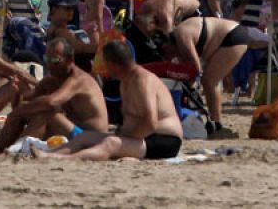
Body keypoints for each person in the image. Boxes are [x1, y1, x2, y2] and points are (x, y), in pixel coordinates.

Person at [42, 40, 184, 161]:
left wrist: (127, 137)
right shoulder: (125, 81)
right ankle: (48, 155)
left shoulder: (143, 81)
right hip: (141, 137)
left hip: (164, 140)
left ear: (112, 64)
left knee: (111, 143)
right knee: (84, 137)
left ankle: (64, 159)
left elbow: (150, 122)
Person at [0, 38, 110, 155]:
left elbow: (50, 102)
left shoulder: (78, 79)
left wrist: (18, 111)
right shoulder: (51, 81)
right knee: (28, 111)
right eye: (46, 59)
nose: (49, 65)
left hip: (91, 138)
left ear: (70, 60)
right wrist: (18, 90)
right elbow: (26, 102)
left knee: (48, 114)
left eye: (55, 61)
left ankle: (17, 151)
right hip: (71, 131)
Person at [165, 15, 248, 137]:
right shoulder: (177, 42)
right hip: (223, 39)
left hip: (232, 36)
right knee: (206, 80)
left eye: (167, 54)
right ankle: (214, 122)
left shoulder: (182, 37)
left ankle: (217, 124)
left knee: (209, 81)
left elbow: (196, 68)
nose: (169, 57)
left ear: (166, 45)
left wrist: (190, 89)